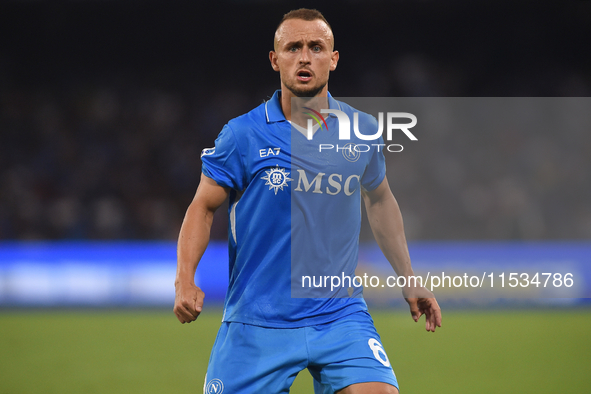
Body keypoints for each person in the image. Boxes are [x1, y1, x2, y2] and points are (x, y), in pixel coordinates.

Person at [173, 8, 441, 394]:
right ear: (275, 59)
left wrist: (409, 277)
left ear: (333, 59)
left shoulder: (362, 130)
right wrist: (185, 279)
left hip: (340, 315)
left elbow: (379, 200)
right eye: (293, 47)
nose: (304, 57)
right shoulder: (242, 135)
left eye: (316, 47)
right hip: (258, 319)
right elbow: (202, 206)